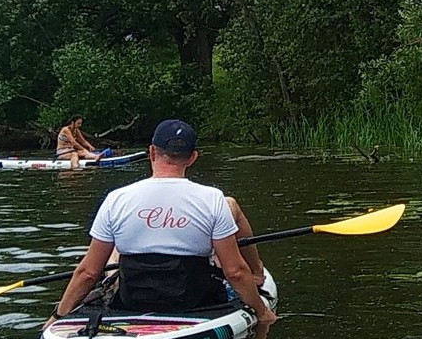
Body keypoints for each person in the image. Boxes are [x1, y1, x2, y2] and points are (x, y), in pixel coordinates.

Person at [58, 119, 276, 321]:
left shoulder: (116, 199)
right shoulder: (213, 199)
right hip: (194, 304)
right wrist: (262, 312)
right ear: (192, 157)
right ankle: (257, 273)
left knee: (117, 245)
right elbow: (235, 272)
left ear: (152, 152)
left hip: (133, 302)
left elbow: (87, 273)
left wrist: (57, 317)